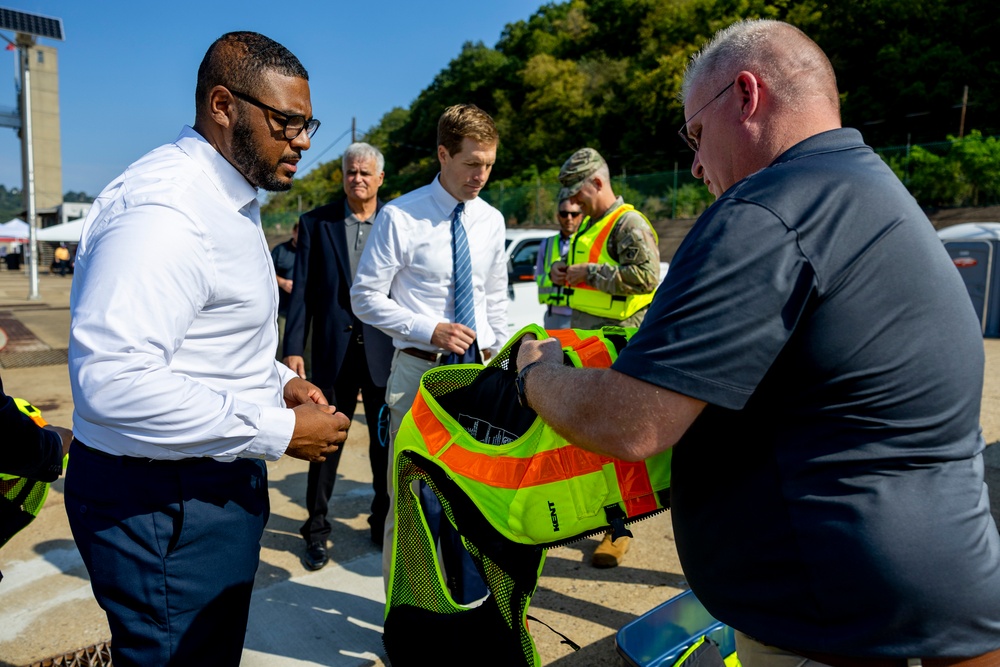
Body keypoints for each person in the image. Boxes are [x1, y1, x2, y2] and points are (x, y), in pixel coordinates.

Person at [515, 18, 1000, 666]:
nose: (693, 163)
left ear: (745, 96)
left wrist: (535, 371)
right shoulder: (875, 192)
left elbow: (629, 420)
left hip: (829, 621)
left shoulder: (766, 210)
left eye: (695, 133)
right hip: (940, 594)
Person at [65, 32, 351, 667]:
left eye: (309, 123)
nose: (303, 140)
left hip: (198, 480)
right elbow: (113, 380)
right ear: (223, 104)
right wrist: (278, 429)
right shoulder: (166, 210)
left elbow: (208, 332)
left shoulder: (228, 193)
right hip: (163, 501)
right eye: (288, 122)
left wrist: (275, 377)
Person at [351, 103, 509, 603]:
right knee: (414, 510)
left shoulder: (491, 220)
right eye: (471, 164)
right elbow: (364, 296)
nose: (481, 176)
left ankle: (469, 612)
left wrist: (501, 361)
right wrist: (429, 328)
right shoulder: (401, 216)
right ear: (443, 154)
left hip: (478, 381)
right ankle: (409, 624)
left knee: (477, 503)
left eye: (488, 163)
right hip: (419, 375)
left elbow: (495, 299)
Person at [283, 142, 395, 569]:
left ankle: (381, 522)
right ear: (343, 176)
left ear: (380, 178)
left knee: (384, 447)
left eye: (366, 172)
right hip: (333, 352)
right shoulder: (317, 223)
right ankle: (316, 530)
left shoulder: (396, 221)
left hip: (384, 353)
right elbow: (304, 293)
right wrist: (293, 347)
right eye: (351, 172)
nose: (358, 178)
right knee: (324, 443)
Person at [550, 147, 661, 567]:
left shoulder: (628, 222)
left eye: (579, 194)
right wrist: (568, 272)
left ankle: (619, 530)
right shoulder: (593, 225)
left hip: (618, 348)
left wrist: (587, 274)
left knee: (612, 442)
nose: (573, 204)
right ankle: (596, 519)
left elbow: (647, 276)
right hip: (588, 345)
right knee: (586, 442)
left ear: (598, 182)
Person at [534, 198, 583, 329]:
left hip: (582, 314)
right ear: (557, 216)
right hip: (554, 315)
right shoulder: (547, 244)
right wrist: (552, 277)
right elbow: (539, 278)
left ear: (581, 216)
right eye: (564, 214)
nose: (569, 218)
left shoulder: (587, 244)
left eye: (574, 214)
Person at [271, 222, 298, 360]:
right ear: (294, 232)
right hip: (283, 308)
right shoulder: (280, 251)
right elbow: (266, 271)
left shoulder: (312, 250)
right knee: (281, 341)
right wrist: (282, 282)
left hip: (305, 309)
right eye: (299, 232)